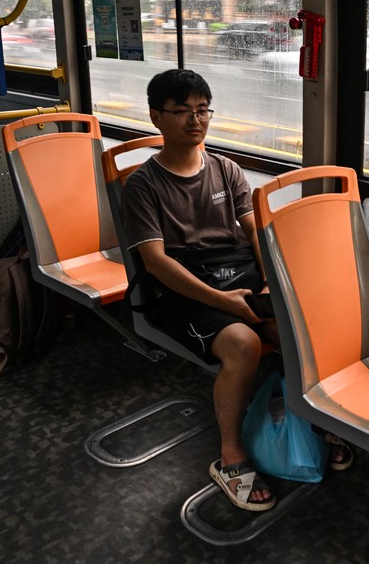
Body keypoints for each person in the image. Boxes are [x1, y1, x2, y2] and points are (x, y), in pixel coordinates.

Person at [122, 69, 351, 512]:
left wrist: (268, 283)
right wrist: (222, 302)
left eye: (203, 110)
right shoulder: (143, 185)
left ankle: (315, 421)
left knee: (298, 328)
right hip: (183, 289)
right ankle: (230, 457)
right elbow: (156, 262)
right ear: (156, 117)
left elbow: (257, 235)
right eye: (183, 111)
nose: (196, 120)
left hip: (239, 274)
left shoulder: (226, 169)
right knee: (244, 344)